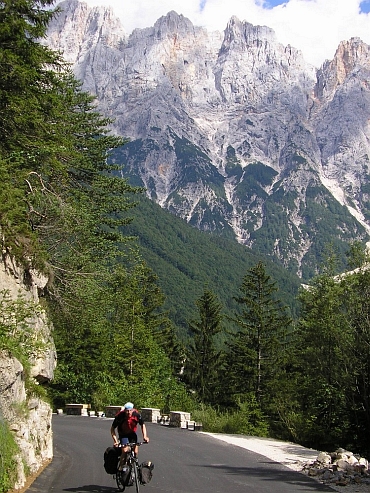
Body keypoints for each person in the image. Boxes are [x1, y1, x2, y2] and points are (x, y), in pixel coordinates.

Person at [111, 402, 149, 470]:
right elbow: (112, 429)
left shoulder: (136, 415)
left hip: (132, 434)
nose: (129, 412)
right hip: (123, 434)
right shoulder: (120, 416)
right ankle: (121, 468)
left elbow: (142, 424)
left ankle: (134, 467)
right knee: (125, 451)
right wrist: (116, 441)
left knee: (135, 451)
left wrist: (145, 436)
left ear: (133, 410)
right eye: (127, 411)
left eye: (130, 410)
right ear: (125, 410)